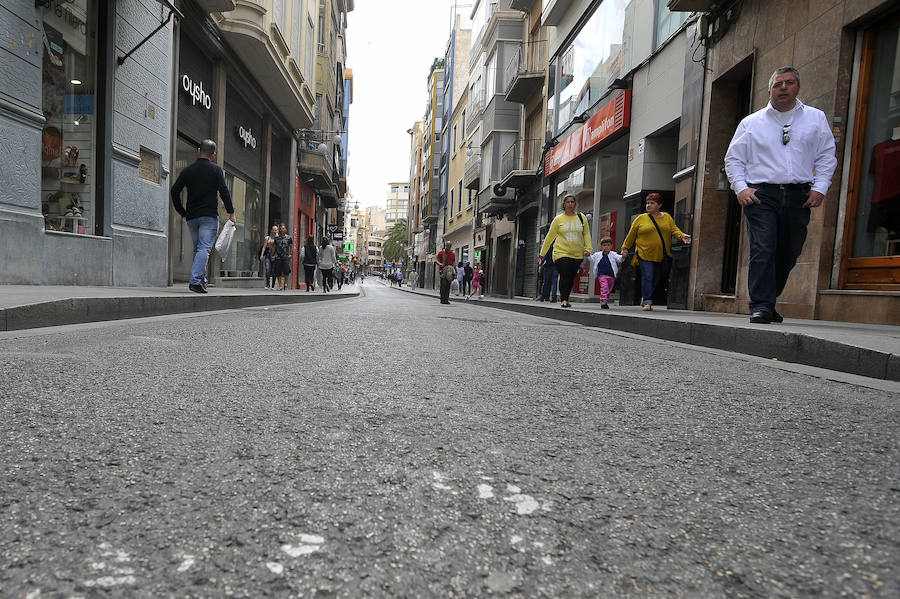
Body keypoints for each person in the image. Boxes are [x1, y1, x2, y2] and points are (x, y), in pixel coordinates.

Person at [724, 66, 837, 324]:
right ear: (769, 90)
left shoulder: (815, 118)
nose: (783, 87)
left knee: (789, 251)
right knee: (763, 247)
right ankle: (761, 305)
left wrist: (820, 187)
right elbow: (733, 159)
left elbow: (826, 156)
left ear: (798, 87)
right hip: (761, 195)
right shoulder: (751, 123)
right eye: (778, 84)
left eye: (789, 82)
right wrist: (740, 187)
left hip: (799, 195)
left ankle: (768, 299)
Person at [170, 139, 235, 293]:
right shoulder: (216, 170)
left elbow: (174, 191)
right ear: (213, 155)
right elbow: (224, 192)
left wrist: (182, 211)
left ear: (198, 151)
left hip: (192, 217)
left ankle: (201, 280)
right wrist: (231, 212)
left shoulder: (187, 170)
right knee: (204, 249)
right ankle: (194, 281)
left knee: (199, 249)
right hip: (209, 217)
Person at [621, 193, 690, 311]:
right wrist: (625, 248)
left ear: (659, 205)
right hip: (644, 253)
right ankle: (648, 301)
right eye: (648, 203)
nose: (648, 205)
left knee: (657, 278)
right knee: (648, 276)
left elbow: (674, 229)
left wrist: (682, 236)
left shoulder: (667, 217)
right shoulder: (641, 218)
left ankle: (645, 296)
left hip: (661, 254)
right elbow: (631, 235)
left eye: (652, 203)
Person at [538, 194, 592, 308]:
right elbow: (549, 237)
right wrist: (542, 254)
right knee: (564, 273)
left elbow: (586, 233)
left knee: (571, 276)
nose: (570, 204)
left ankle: (566, 298)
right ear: (564, 205)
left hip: (577, 253)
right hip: (561, 252)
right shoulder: (558, 219)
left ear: (575, 204)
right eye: (567, 202)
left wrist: (588, 248)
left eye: (572, 202)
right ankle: (563, 300)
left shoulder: (581, 217)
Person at [588, 237, 623, 309]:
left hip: (611, 276)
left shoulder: (613, 254)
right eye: (604, 245)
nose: (606, 247)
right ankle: (603, 301)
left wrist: (623, 256)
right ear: (601, 247)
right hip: (602, 275)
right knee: (604, 287)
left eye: (608, 245)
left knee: (608, 289)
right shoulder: (598, 254)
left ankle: (605, 300)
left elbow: (619, 259)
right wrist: (587, 255)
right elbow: (592, 258)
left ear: (611, 246)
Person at [272, 223, 292, 290]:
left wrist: (290, 254)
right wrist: (272, 255)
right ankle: (280, 285)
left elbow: (291, 247)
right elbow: (274, 247)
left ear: (285, 229)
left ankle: (285, 283)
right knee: (278, 272)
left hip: (285, 256)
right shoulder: (277, 238)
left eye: (283, 228)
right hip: (278, 256)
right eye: (280, 228)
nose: (282, 230)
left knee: (287, 271)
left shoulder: (289, 238)